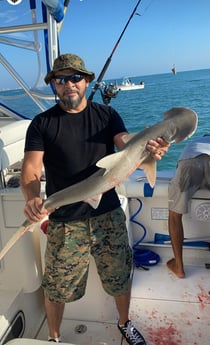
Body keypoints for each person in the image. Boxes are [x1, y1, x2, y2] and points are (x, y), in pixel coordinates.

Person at [20, 53, 169, 345]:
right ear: (54, 85)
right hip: (65, 220)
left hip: (108, 214)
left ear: (86, 81)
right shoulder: (41, 123)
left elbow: (126, 145)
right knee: (56, 286)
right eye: (61, 80)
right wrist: (31, 197)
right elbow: (31, 168)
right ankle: (53, 337)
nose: (69, 84)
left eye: (75, 77)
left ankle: (124, 324)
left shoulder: (107, 116)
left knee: (119, 276)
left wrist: (148, 150)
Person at [167, 135, 210, 278]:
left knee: (174, 215)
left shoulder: (194, 142)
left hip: (190, 162)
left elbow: (178, 167)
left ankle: (179, 267)